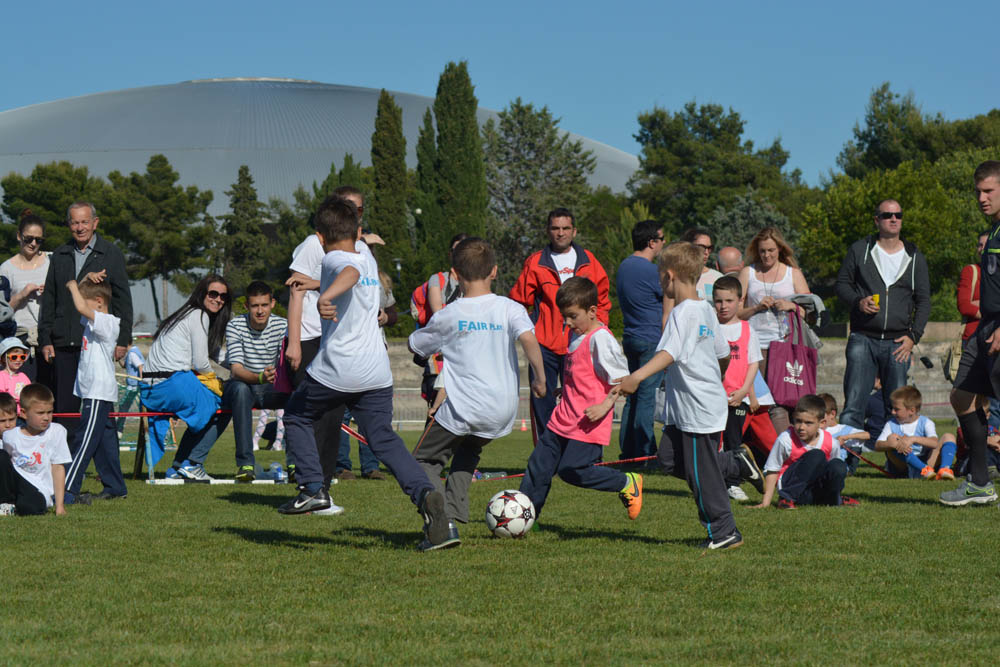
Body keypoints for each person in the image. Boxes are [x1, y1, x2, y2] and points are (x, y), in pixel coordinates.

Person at [279, 196, 450, 549]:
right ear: (357, 232)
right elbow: (358, 275)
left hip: (340, 367)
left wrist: (325, 297)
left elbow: (348, 274)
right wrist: (315, 286)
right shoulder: (367, 256)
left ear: (320, 237)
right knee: (383, 439)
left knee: (296, 415)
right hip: (376, 370)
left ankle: (313, 489)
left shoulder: (335, 258)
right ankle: (427, 497)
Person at [617, 242, 763, 551]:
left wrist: (636, 377)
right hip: (688, 409)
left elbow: (669, 352)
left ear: (669, 276)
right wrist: (716, 376)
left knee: (701, 476)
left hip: (699, 409)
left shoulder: (683, 313)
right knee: (668, 460)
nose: (659, 281)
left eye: (659, 275)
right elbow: (723, 354)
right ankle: (734, 464)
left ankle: (724, 532)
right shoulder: (705, 310)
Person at [408, 238, 545, 549]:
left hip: (464, 406)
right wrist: (540, 377)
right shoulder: (511, 308)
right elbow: (528, 340)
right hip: (501, 410)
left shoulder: (449, 314)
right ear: (494, 271)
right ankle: (455, 512)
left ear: (455, 273)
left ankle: (441, 521)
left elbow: (417, 345)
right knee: (468, 450)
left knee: (422, 461)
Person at [519, 276, 641, 522]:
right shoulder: (575, 335)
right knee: (538, 466)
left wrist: (604, 406)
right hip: (563, 417)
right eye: (564, 316)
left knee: (572, 470)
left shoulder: (601, 339)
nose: (567, 322)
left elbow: (621, 380)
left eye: (573, 315)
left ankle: (626, 482)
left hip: (587, 422)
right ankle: (523, 519)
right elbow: (584, 374)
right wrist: (567, 389)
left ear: (592, 311)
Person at [286, 185, 380, 490]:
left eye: (359, 209)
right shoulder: (315, 244)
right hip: (313, 337)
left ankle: (320, 484)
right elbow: (296, 289)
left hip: (338, 342)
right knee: (307, 415)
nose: (353, 214)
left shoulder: (361, 249)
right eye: (347, 208)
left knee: (331, 419)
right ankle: (309, 481)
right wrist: (295, 342)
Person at [510, 208, 611, 437]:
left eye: (565, 228)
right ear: (548, 231)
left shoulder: (590, 262)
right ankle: (545, 459)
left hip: (580, 344)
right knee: (542, 402)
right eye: (555, 228)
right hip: (544, 345)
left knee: (580, 400)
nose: (560, 233)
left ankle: (578, 455)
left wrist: (595, 331)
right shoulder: (535, 262)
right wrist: (530, 331)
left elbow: (602, 300)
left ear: (574, 231)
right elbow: (517, 302)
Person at [835, 200, 930, 439]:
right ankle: (846, 462)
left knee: (897, 408)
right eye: (887, 215)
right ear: (877, 220)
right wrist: (858, 301)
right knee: (854, 405)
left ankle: (897, 464)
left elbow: (924, 300)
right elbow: (842, 285)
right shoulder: (860, 250)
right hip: (862, 338)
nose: (894, 219)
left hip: (898, 342)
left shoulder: (914, 255)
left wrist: (913, 336)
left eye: (898, 214)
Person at [38, 201, 133, 440]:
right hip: (64, 342)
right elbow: (50, 298)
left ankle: (106, 466)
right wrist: (45, 339)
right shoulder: (60, 254)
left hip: (97, 344)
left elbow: (123, 300)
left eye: (85, 222)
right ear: (69, 224)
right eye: (75, 222)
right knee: (65, 410)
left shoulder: (111, 254)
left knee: (102, 409)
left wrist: (123, 339)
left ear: (95, 223)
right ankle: (64, 462)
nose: (80, 227)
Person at [143, 275, 232, 481]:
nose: (218, 299)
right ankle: (193, 463)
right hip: (170, 384)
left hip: (152, 387)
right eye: (213, 294)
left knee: (210, 405)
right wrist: (227, 376)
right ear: (202, 293)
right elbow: (201, 363)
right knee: (226, 405)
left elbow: (216, 355)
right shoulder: (199, 315)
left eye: (223, 297)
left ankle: (178, 466)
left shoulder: (185, 315)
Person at [211, 281, 289, 482]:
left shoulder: (283, 325)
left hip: (272, 386)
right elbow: (236, 370)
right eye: (255, 306)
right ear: (247, 307)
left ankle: (297, 463)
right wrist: (260, 377)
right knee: (239, 389)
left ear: (272, 303)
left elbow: (288, 365)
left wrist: (275, 377)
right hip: (245, 385)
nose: (260, 311)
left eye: (264, 305)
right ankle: (246, 464)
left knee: (296, 392)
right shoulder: (235, 325)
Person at [737, 227, 811, 434]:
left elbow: (810, 311)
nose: (767, 255)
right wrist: (757, 307)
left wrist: (792, 307)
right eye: (762, 251)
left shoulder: (793, 274)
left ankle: (787, 448)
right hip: (754, 346)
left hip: (786, 346)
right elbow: (736, 312)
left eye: (771, 250)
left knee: (784, 401)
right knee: (757, 401)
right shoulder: (748, 272)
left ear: (780, 249)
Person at [62, 277, 126, 503]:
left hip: (98, 393)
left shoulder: (107, 322)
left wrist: (71, 285)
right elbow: (81, 304)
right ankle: (116, 487)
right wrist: (86, 280)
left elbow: (80, 304)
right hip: (94, 393)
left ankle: (68, 488)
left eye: (87, 302)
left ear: (99, 302)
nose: (81, 308)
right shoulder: (93, 322)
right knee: (105, 444)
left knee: (84, 441)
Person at [336, 269, 398, 481]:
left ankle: (371, 466)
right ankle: (342, 466)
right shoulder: (341, 274)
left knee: (370, 413)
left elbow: (394, 314)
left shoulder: (380, 279)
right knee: (342, 413)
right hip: (346, 352)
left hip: (374, 354)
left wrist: (386, 316)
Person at [615, 220, 666, 464]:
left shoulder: (624, 266)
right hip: (651, 339)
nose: (663, 244)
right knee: (646, 397)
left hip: (631, 336)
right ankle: (646, 454)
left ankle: (627, 452)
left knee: (631, 396)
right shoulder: (651, 270)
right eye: (662, 239)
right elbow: (671, 294)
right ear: (651, 242)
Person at [752, 395, 857, 509]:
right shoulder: (786, 439)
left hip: (816, 492)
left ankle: (834, 499)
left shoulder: (831, 443)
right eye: (798, 421)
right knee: (817, 455)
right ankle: (786, 499)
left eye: (808, 423)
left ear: (821, 423)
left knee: (838, 464)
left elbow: (834, 472)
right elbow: (772, 469)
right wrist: (766, 502)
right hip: (794, 491)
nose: (801, 427)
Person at [713, 276, 762, 501]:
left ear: (740, 300)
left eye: (729, 300)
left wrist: (745, 392)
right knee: (714, 443)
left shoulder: (747, 329)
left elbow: (753, 363)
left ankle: (733, 482)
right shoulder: (711, 328)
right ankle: (717, 482)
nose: (723, 306)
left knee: (733, 442)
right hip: (713, 397)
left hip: (737, 398)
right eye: (718, 301)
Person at [0, 386, 70, 516]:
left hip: (38, 488)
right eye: (40, 413)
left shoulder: (57, 431)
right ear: (24, 413)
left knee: (30, 509)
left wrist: (60, 506)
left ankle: (17, 506)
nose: (46, 417)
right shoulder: (10, 435)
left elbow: (58, 468)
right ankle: (5, 503)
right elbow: (5, 466)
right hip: (16, 482)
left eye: (49, 412)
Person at [0, 211, 49, 380]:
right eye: (29, 238)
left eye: (39, 240)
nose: (33, 243)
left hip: (47, 339)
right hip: (19, 341)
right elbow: (2, 312)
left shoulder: (51, 264)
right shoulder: (6, 269)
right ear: (19, 236)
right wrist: (22, 294)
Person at [874, 386, 957, 480]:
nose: (892, 412)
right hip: (903, 466)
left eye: (896, 409)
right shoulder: (891, 424)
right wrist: (891, 444)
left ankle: (945, 470)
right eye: (892, 408)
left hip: (926, 461)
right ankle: (924, 470)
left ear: (912, 410)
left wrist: (913, 439)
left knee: (948, 436)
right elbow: (877, 445)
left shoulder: (926, 422)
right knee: (893, 438)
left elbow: (934, 443)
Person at [816, 393, 870, 467]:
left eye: (820, 416)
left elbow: (867, 435)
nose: (817, 420)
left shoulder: (843, 429)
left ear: (832, 414)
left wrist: (845, 437)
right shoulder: (815, 429)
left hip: (836, 466)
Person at [957, 232, 988, 341]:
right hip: (973, 338)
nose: (982, 249)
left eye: (987, 244)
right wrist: (992, 312)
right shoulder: (970, 271)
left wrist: (980, 303)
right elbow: (964, 306)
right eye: (980, 245)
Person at [680, 228, 723, 301]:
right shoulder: (677, 276)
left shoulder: (718, 278)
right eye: (701, 247)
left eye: (709, 248)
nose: (706, 252)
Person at [116, 341, 145, 435]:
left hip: (134, 386)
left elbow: (140, 366)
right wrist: (119, 359)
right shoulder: (132, 353)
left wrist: (142, 379)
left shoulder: (132, 353)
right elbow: (125, 366)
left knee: (123, 406)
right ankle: (119, 429)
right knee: (126, 407)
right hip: (134, 385)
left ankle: (119, 430)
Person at [0, 337, 31, 409]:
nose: (18, 360)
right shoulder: (1, 376)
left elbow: (30, 394)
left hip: (24, 413)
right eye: (14, 357)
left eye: (22, 357)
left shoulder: (23, 376)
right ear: (4, 358)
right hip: (7, 413)